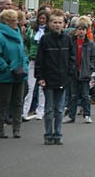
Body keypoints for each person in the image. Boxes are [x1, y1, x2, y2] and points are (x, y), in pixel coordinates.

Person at [35, 9, 75, 145]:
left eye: (60, 22)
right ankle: (48, 134)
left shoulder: (67, 39)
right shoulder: (45, 39)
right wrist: (40, 76)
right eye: (54, 22)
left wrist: (69, 74)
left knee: (59, 109)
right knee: (49, 109)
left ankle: (58, 134)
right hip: (48, 79)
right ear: (49, 23)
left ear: (64, 24)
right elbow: (39, 60)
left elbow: (72, 58)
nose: (57, 25)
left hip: (63, 78)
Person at [0, 9, 29, 138]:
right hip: (5, 75)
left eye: (16, 20)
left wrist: (25, 64)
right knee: (3, 102)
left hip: (19, 73)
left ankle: (16, 129)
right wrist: (6, 68)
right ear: (5, 22)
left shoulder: (17, 32)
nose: (16, 22)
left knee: (18, 102)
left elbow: (22, 52)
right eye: (13, 20)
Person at [64, 21, 95, 124]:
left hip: (85, 72)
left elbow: (94, 57)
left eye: (83, 30)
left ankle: (87, 115)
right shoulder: (71, 42)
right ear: (76, 31)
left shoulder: (90, 43)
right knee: (73, 95)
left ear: (86, 31)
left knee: (85, 95)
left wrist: (90, 67)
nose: (81, 32)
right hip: (74, 72)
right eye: (79, 29)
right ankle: (71, 115)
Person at [23, 10, 49, 121]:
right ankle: (24, 111)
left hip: (45, 61)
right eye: (40, 18)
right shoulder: (31, 30)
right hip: (33, 60)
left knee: (42, 87)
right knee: (30, 87)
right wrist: (28, 55)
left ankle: (40, 111)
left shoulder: (49, 32)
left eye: (44, 18)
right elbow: (27, 44)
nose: (42, 20)